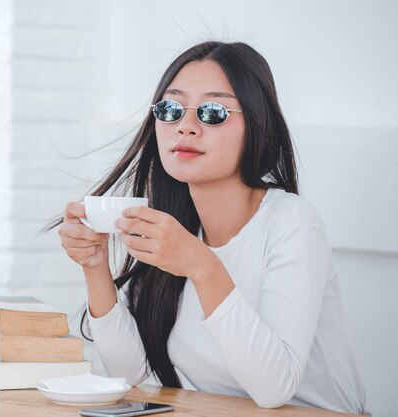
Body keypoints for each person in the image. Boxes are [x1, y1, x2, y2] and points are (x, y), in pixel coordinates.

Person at [56, 41, 367, 414]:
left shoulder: (292, 223)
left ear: (255, 125)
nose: (185, 127)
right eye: (171, 109)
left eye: (213, 111)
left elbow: (274, 388)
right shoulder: (173, 227)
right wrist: (95, 267)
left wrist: (201, 266)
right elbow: (129, 374)